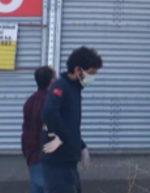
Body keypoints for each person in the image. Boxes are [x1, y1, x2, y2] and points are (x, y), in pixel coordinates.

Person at [40, 47, 104, 193]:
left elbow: (70, 124)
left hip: (68, 160)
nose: (92, 78)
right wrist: (63, 136)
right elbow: (48, 112)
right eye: (90, 73)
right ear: (77, 70)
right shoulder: (61, 86)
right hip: (57, 162)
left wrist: (81, 145)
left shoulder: (74, 89)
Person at [22, 66, 57, 193]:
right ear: (52, 81)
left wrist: (27, 156)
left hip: (32, 156)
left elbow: (26, 132)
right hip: (48, 158)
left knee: (36, 187)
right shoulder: (51, 102)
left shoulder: (29, 102)